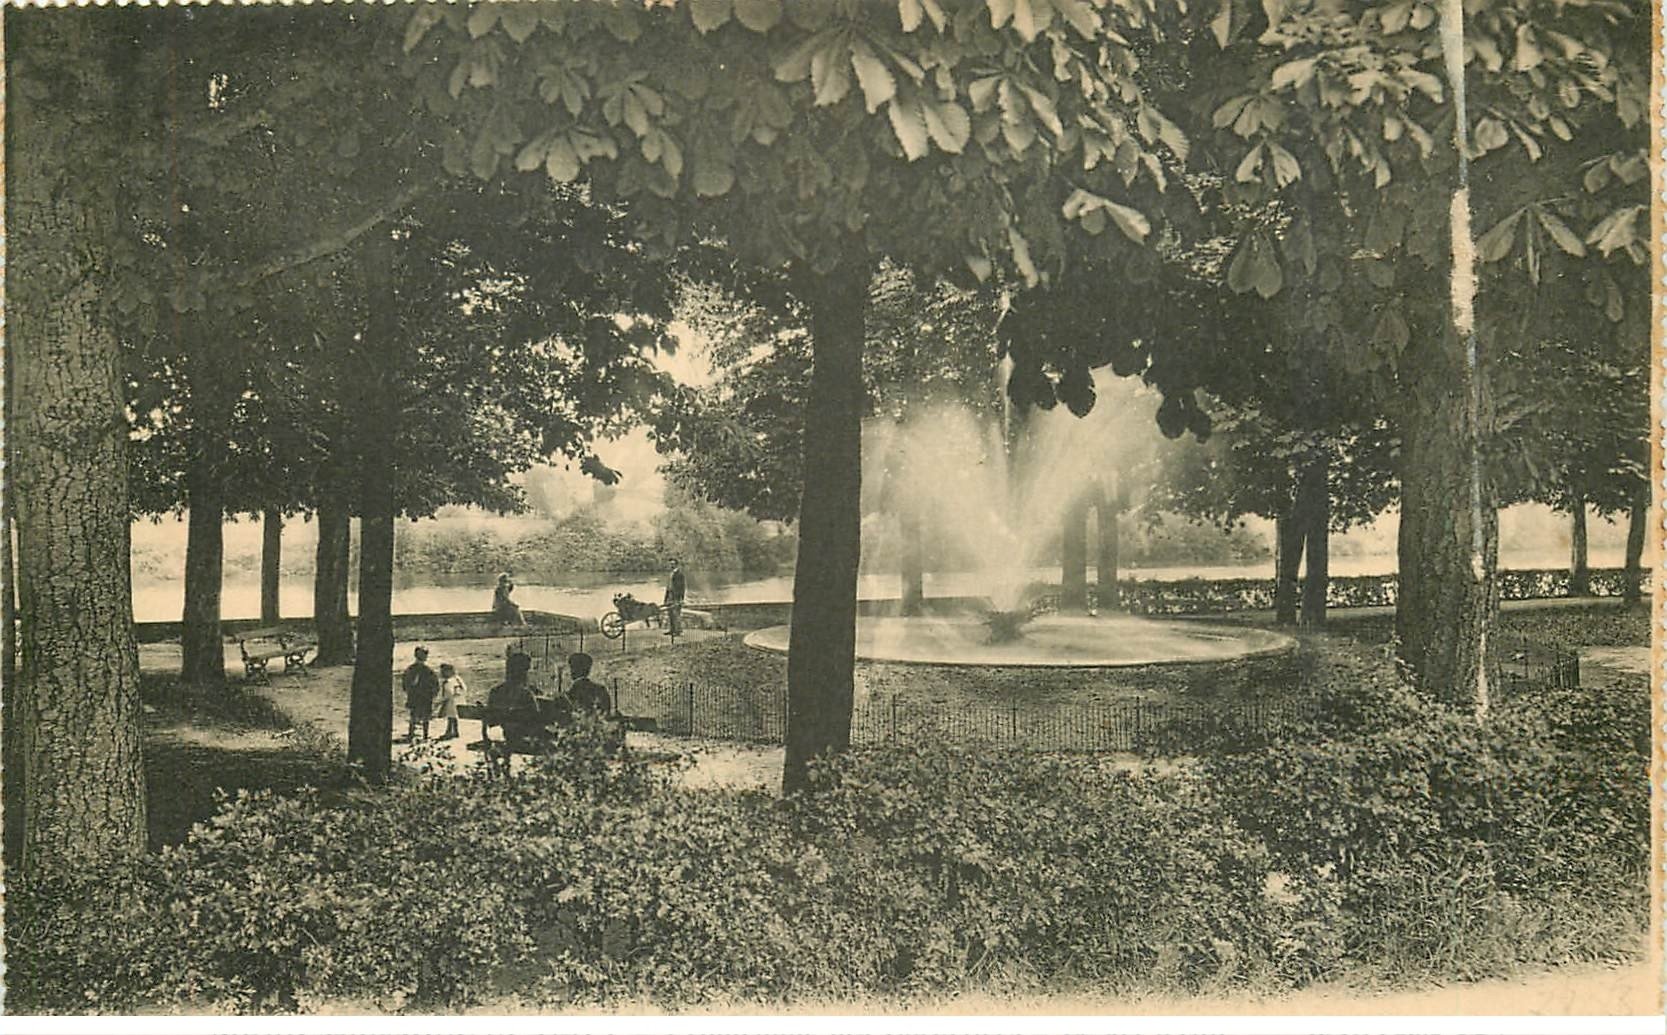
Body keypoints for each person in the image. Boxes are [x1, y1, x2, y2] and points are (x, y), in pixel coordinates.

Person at [484, 651, 558, 755]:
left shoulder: (495, 691)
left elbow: (491, 720)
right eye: (527, 670)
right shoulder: (526, 694)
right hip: (525, 740)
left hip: (504, 736)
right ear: (523, 672)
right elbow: (536, 719)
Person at [401, 646, 440, 742]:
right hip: (422, 696)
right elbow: (435, 683)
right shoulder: (426, 670)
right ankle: (423, 735)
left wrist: (408, 690)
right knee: (422, 716)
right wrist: (434, 692)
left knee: (416, 715)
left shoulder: (412, 669)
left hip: (418, 696)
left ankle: (413, 734)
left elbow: (405, 683)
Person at [566, 652, 611, 717]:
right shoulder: (601, 690)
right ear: (588, 670)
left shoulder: (571, 694)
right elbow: (606, 713)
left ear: (572, 670)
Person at [434, 662, 465, 741]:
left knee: (451, 718)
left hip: (451, 702)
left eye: (443, 671)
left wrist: (439, 702)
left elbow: (448, 694)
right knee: (454, 718)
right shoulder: (457, 679)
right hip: (459, 701)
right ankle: (455, 732)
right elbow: (464, 688)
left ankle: (449, 732)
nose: (441, 673)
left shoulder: (448, 682)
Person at [662, 559, 686, 636]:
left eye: (672, 564)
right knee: (670, 613)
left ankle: (678, 631)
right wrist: (666, 598)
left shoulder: (680, 574)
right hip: (670, 595)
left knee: (676, 613)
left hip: (676, 596)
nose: (671, 565)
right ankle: (672, 630)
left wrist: (681, 598)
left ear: (676, 565)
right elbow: (668, 586)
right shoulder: (670, 574)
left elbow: (682, 587)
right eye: (670, 564)